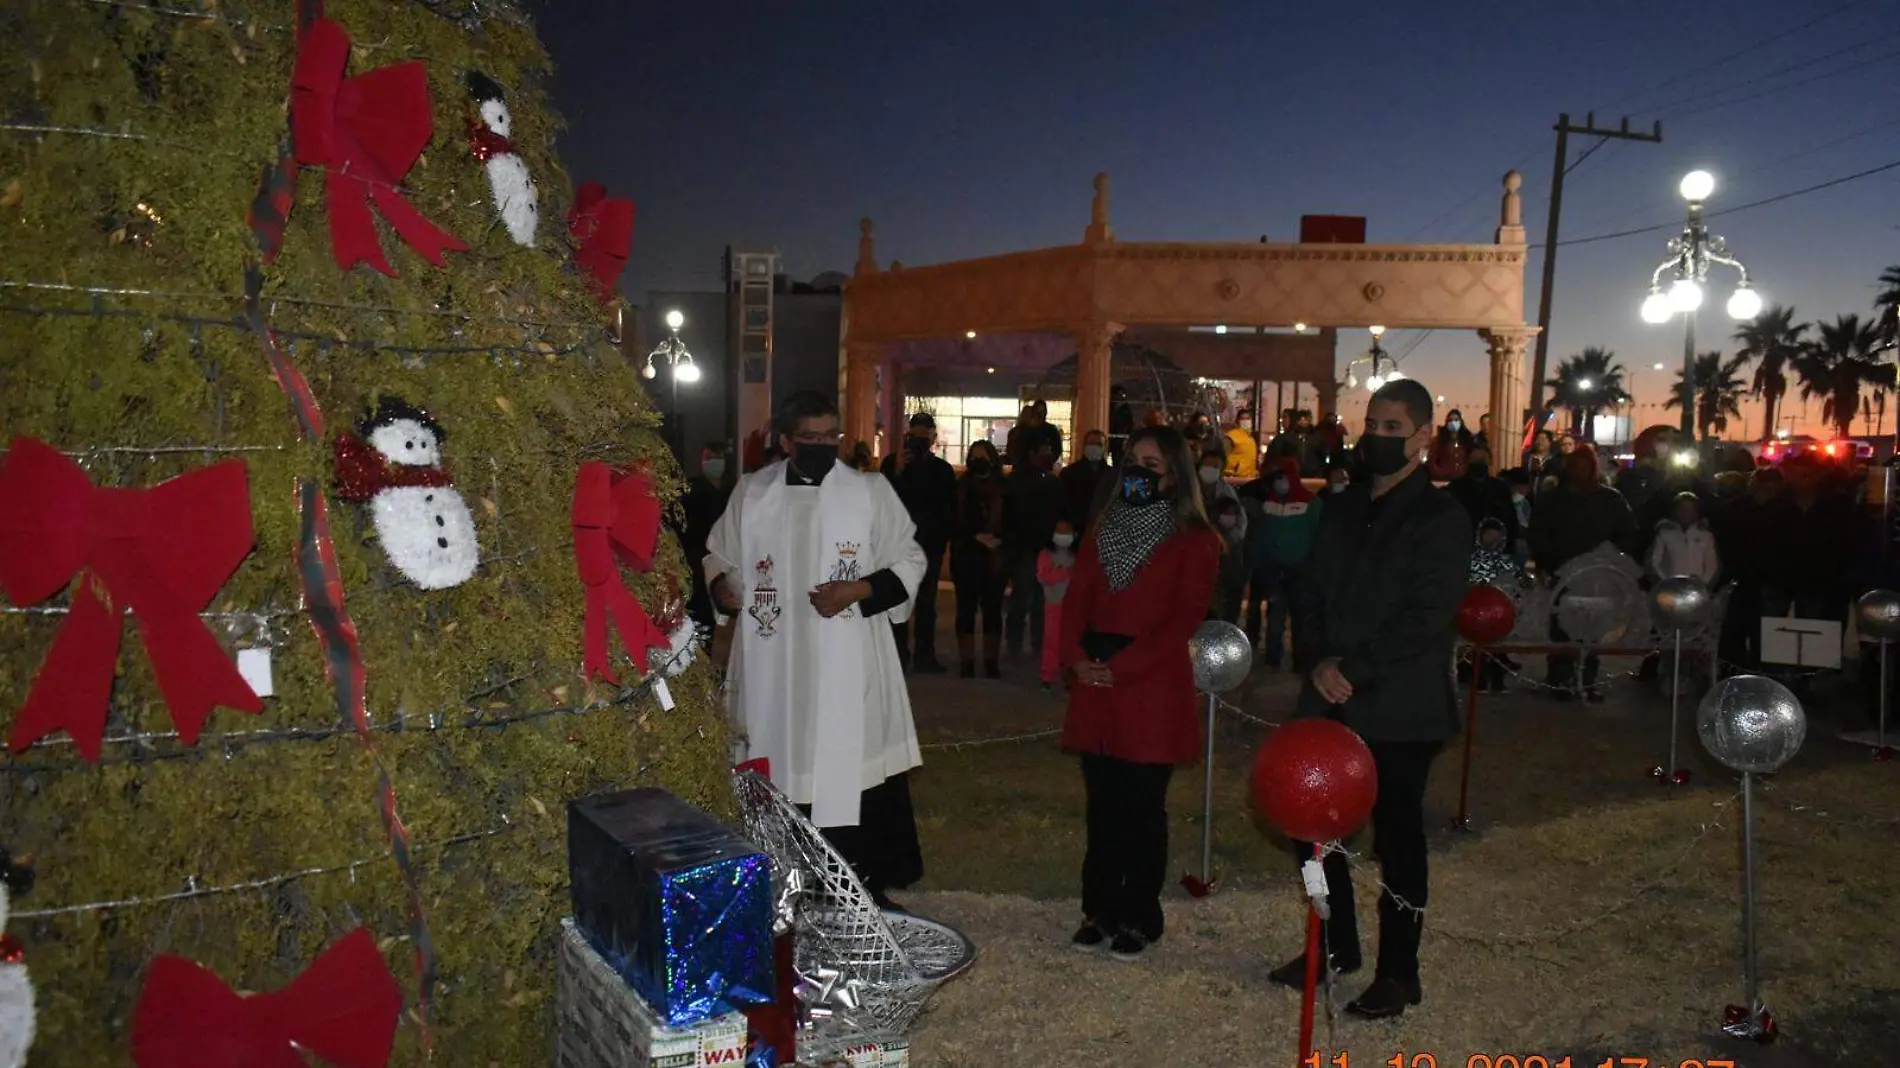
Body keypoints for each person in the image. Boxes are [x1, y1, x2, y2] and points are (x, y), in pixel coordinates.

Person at [1274, 378, 1469, 1018]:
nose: (1375, 438)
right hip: (1330, 695)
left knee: (1398, 841)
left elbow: (1425, 616)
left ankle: (1398, 971)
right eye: (1371, 425)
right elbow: (1309, 591)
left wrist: (1351, 668)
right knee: (1311, 837)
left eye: (1391, 429)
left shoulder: (1441, 518)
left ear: (1421, 438)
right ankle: (1331, 945)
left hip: (1400, 708)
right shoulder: (1342, 507)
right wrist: (1320, 659)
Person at [705, 390, 927, 909]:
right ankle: (781, 886)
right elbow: (718, 555)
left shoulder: (869, 492)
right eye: (812, 438)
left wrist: (858, 590)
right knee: (777, 756)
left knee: (848, 764)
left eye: (832, 436)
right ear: (786, 440)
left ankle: (859, 886)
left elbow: (910, 561)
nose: (825, 446)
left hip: (846, 654)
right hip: (772, 661)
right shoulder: (753, 492)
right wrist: (724, 588)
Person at [1060, 426, 1221, 961]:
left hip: (1150, 687)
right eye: (1133, 460)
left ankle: (1139, 916)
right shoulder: (1102, 527)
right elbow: (1077, 596)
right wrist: (1076, 659)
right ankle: (1099, 909)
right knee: (1101, 806)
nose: (1139, 471)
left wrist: (1123, 668)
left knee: (1142, 809)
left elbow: (1184, 619)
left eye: (1152, 464)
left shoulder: (1196, 539)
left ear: (1174, 474)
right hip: (1096, 683)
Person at [1527, 447, 1637, 700]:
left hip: (1597, 577)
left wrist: (1610, 559)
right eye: (1575, 466)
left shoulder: (1610, 500)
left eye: (1584, 466)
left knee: (1593, 629)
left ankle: (1586, 680)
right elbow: (1538, 533)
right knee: (1562, 628)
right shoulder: (1553, 500)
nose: (1580, 471)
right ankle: (1559, 680)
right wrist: (1551, 561)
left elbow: (1627, 534)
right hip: (1563, 575)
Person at [881, 412, 957, 674]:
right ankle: (897, 655)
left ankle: (925, 656)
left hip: (929, 544)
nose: (919, 445)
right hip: (898, 545)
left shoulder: (942, 470)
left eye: (925, 439)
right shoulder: (892, 464)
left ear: (933, 438)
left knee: (926, 604)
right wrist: (898, 471)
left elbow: (947, 506)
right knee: (897, 600)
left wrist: (942, 538)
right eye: (915, 438)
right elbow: (884, 501)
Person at [1243, 456, 1322, 667]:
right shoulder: (1270, 503)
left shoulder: (1310, 504)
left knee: (1300, 618)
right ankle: (1273, 658)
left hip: (1300, 572)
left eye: (1282, 477)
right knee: (1275, 616)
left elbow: (1318, 538)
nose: (1279, 483)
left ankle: (1300, 660)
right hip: (1275, 570)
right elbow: (1263, 535)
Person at [952, 439, 1009, 678]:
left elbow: (1014, 519)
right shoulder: (962, 486)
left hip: (994, 557)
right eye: (974, 456)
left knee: (993, 610)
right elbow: (953, 518)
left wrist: (1000, 539)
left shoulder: (1005, 487)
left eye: (983, 455)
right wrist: (974, 536)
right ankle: (967, 661)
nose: (978, 460)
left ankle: (990, 660)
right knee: (965, 609)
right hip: (967, 555)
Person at [1005, 439, 1064, 660]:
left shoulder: (1051, 482)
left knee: (1040, 600)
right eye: (1044, 451)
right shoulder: (1020, 482)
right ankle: (1018, 643)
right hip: (1026, 548)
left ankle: (1034, 643)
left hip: (1044, 548)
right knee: (1023, 598)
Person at [679, 442, 734, 635]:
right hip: (695, 561)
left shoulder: (732, 494)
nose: (713, 463)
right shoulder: (690, 491)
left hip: (723, 564)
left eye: (717, 458)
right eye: (709, 458)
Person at [1466, 517, 1517, 694]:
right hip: (1477, 612)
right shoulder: (1473, 559)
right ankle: (1478, 681)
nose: (1492, 541)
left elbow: (1513, 580)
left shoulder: (1504, 560)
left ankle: (1497, 682)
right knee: (1477, 650)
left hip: (1499, 611)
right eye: (1488, 536)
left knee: (1497, 649)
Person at [1444, 444, 1518, 552]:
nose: (1478, 465)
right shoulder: (1455, 488)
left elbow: (1510, 519)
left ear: (1489, 463)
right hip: (1464, 548)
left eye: (1482, 460)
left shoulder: (1500, 488)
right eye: (1475, 461)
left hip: (1496, 549)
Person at [1036, 519, 1079, 692]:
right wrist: (1065, 572)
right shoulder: (1046, 554)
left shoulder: (1076, 554)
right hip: (1054, 603)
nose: (1063, 535)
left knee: (1071, 641)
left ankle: (1068, 675)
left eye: (1066, 532)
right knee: (1052, 641)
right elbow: (1044, 576)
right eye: (1060, 531)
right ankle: (1048, 675)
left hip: (1073, 605)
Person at [1647, 491, 1719, 585]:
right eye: (1681, 509)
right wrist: (1665, 582)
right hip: (1670, 589)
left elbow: (1711, 565)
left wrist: (1702, 583)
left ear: (1696, 512)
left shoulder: (1705, 535)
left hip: (1696, 589)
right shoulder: (1664, 533)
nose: (1685, 513)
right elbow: (1654, 562)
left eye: (1689, 509)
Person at [1060, 428, 1115, 536]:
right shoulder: (1069, 473)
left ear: (1105, 448)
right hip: (1076, 529)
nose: (1094, 447)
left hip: (1104, 530)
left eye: (1099, 444)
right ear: (1084, 446)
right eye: (1091, 444)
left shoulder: (1112, 475)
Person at [1267, 409, 1319, 477]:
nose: (1282, 421)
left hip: (1290, 477)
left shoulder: (1285, 439)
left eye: (1285, 417)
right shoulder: (1314, 437)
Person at [1426, 408, 1473, 480]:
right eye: (1450, 420)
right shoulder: (1439, 440)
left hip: (1463, 481)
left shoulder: (1467, 439)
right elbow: (1431, 461)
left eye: (1456, 420)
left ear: (1461, 422)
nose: (1453, 423)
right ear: (1447, 422)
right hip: (1443, 479)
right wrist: (1441, 473)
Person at [1222, 412, 1259, 479]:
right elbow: (1222, 454)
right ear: (1237, 421)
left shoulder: (1250, 437)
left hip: (1247, 479)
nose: (1246, 421)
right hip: (1234, 479)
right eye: (1243, 419)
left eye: (1248, 418)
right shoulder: (1232, 436)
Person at [1108, 385, 1135, 466]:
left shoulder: (1126, 409)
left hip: (1121, 439)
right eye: (1118, 395)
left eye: (1122, 395)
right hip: (1111, 438)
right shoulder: (1109, 407)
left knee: (1119, 460)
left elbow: (1129, 424)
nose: (1120, 397)